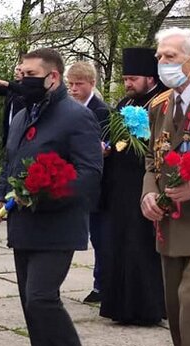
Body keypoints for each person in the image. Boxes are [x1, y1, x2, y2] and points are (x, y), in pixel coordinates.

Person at [0, 48, 102, 346]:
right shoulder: (22, 114)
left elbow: (90, 173)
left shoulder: (75, 117)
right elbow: (10, 165)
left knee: (41, 296)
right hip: (23, 225)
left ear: (52, 77)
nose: (21, 80)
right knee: (28, 300)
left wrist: (43, 196)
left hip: (58, 223)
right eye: (19, 73)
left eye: (29, 74)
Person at [141, 27, 190, 346]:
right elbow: (151, 159)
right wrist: (148, 192)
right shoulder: (160, 106)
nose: (163, 64)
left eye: (171, 57)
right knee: (178, 315)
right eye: (160, 57)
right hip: (170, 225)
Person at [99, 47, 166, 326]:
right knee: (117, 245)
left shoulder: (162, 103)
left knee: (141, 246)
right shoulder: (125, 103)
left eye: (133, 78)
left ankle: (147, 309)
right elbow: (115, 139)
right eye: (125, 78)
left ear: (150, 78)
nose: (128, 83)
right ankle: (119, 307)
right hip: (119, 186)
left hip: (144, 183)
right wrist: (106, 149)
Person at [66, 61, 110, 304]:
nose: (73, 89)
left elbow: (103, 144)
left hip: (95, 183)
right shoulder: (69, 108)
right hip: (74, 178)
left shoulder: (100, 110)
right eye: (70, 84)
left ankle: (101, 285)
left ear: (92, 84)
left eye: (78, 84)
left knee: (99, 236)